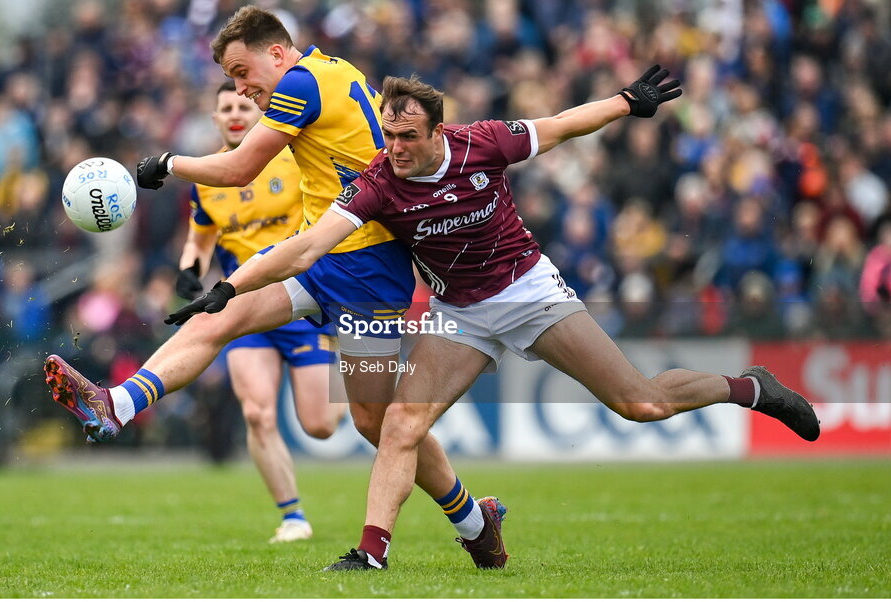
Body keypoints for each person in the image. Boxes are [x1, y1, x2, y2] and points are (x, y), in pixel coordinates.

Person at [166, 71, 822, 571]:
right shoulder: (375, 183)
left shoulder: (484, 143)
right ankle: (370, 552)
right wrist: (228, 285)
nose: (393, 148)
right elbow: (306, 248)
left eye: (407, 137)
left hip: (531, 293)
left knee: (642, 404)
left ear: (437, 132)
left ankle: (752, 387)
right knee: (400, 420)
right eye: (387, 135)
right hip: (459, 315)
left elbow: (562, 124)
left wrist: (626, 102)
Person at [44, 6, 502, 567]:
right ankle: (116, 403)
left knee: (373, 422)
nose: (241, 88)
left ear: (279, 53)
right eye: (232, 81)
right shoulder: (334, 71)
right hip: (319, 254)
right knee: (218, 318)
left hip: (368, 265)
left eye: (244, 72)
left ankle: (476, 520)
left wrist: (168, 163)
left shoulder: (302, 84)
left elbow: (240, 169)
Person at [179, 80, 345, 543]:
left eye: (243, 105)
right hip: (244, 308)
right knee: (257, 413)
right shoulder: (206, 175)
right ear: (214, 118)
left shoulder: (293, 159)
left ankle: (349, 387)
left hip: (301, 301)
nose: (235, 113)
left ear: (259, 114)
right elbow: (201, 234)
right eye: (225, 108)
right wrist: (190, 269)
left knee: (320, 426)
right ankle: (292, 516)